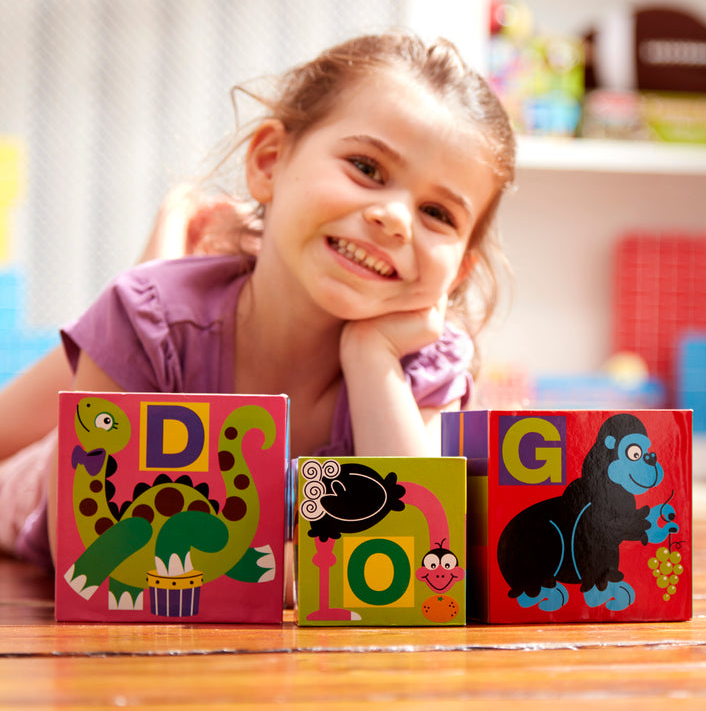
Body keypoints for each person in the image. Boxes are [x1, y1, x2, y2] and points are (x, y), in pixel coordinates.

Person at [0, 30, 516, 574]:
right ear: (269, 162)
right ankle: (180, 222)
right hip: (29, 497)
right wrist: (317, 575)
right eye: (366, 168)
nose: (395, 217)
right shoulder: (150, 319)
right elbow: (89, 554)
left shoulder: (424, 364)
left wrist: (372, 359)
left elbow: (419, 554)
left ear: (458, 270)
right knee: (141, 307)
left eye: (438, 214)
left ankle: (185, 233)